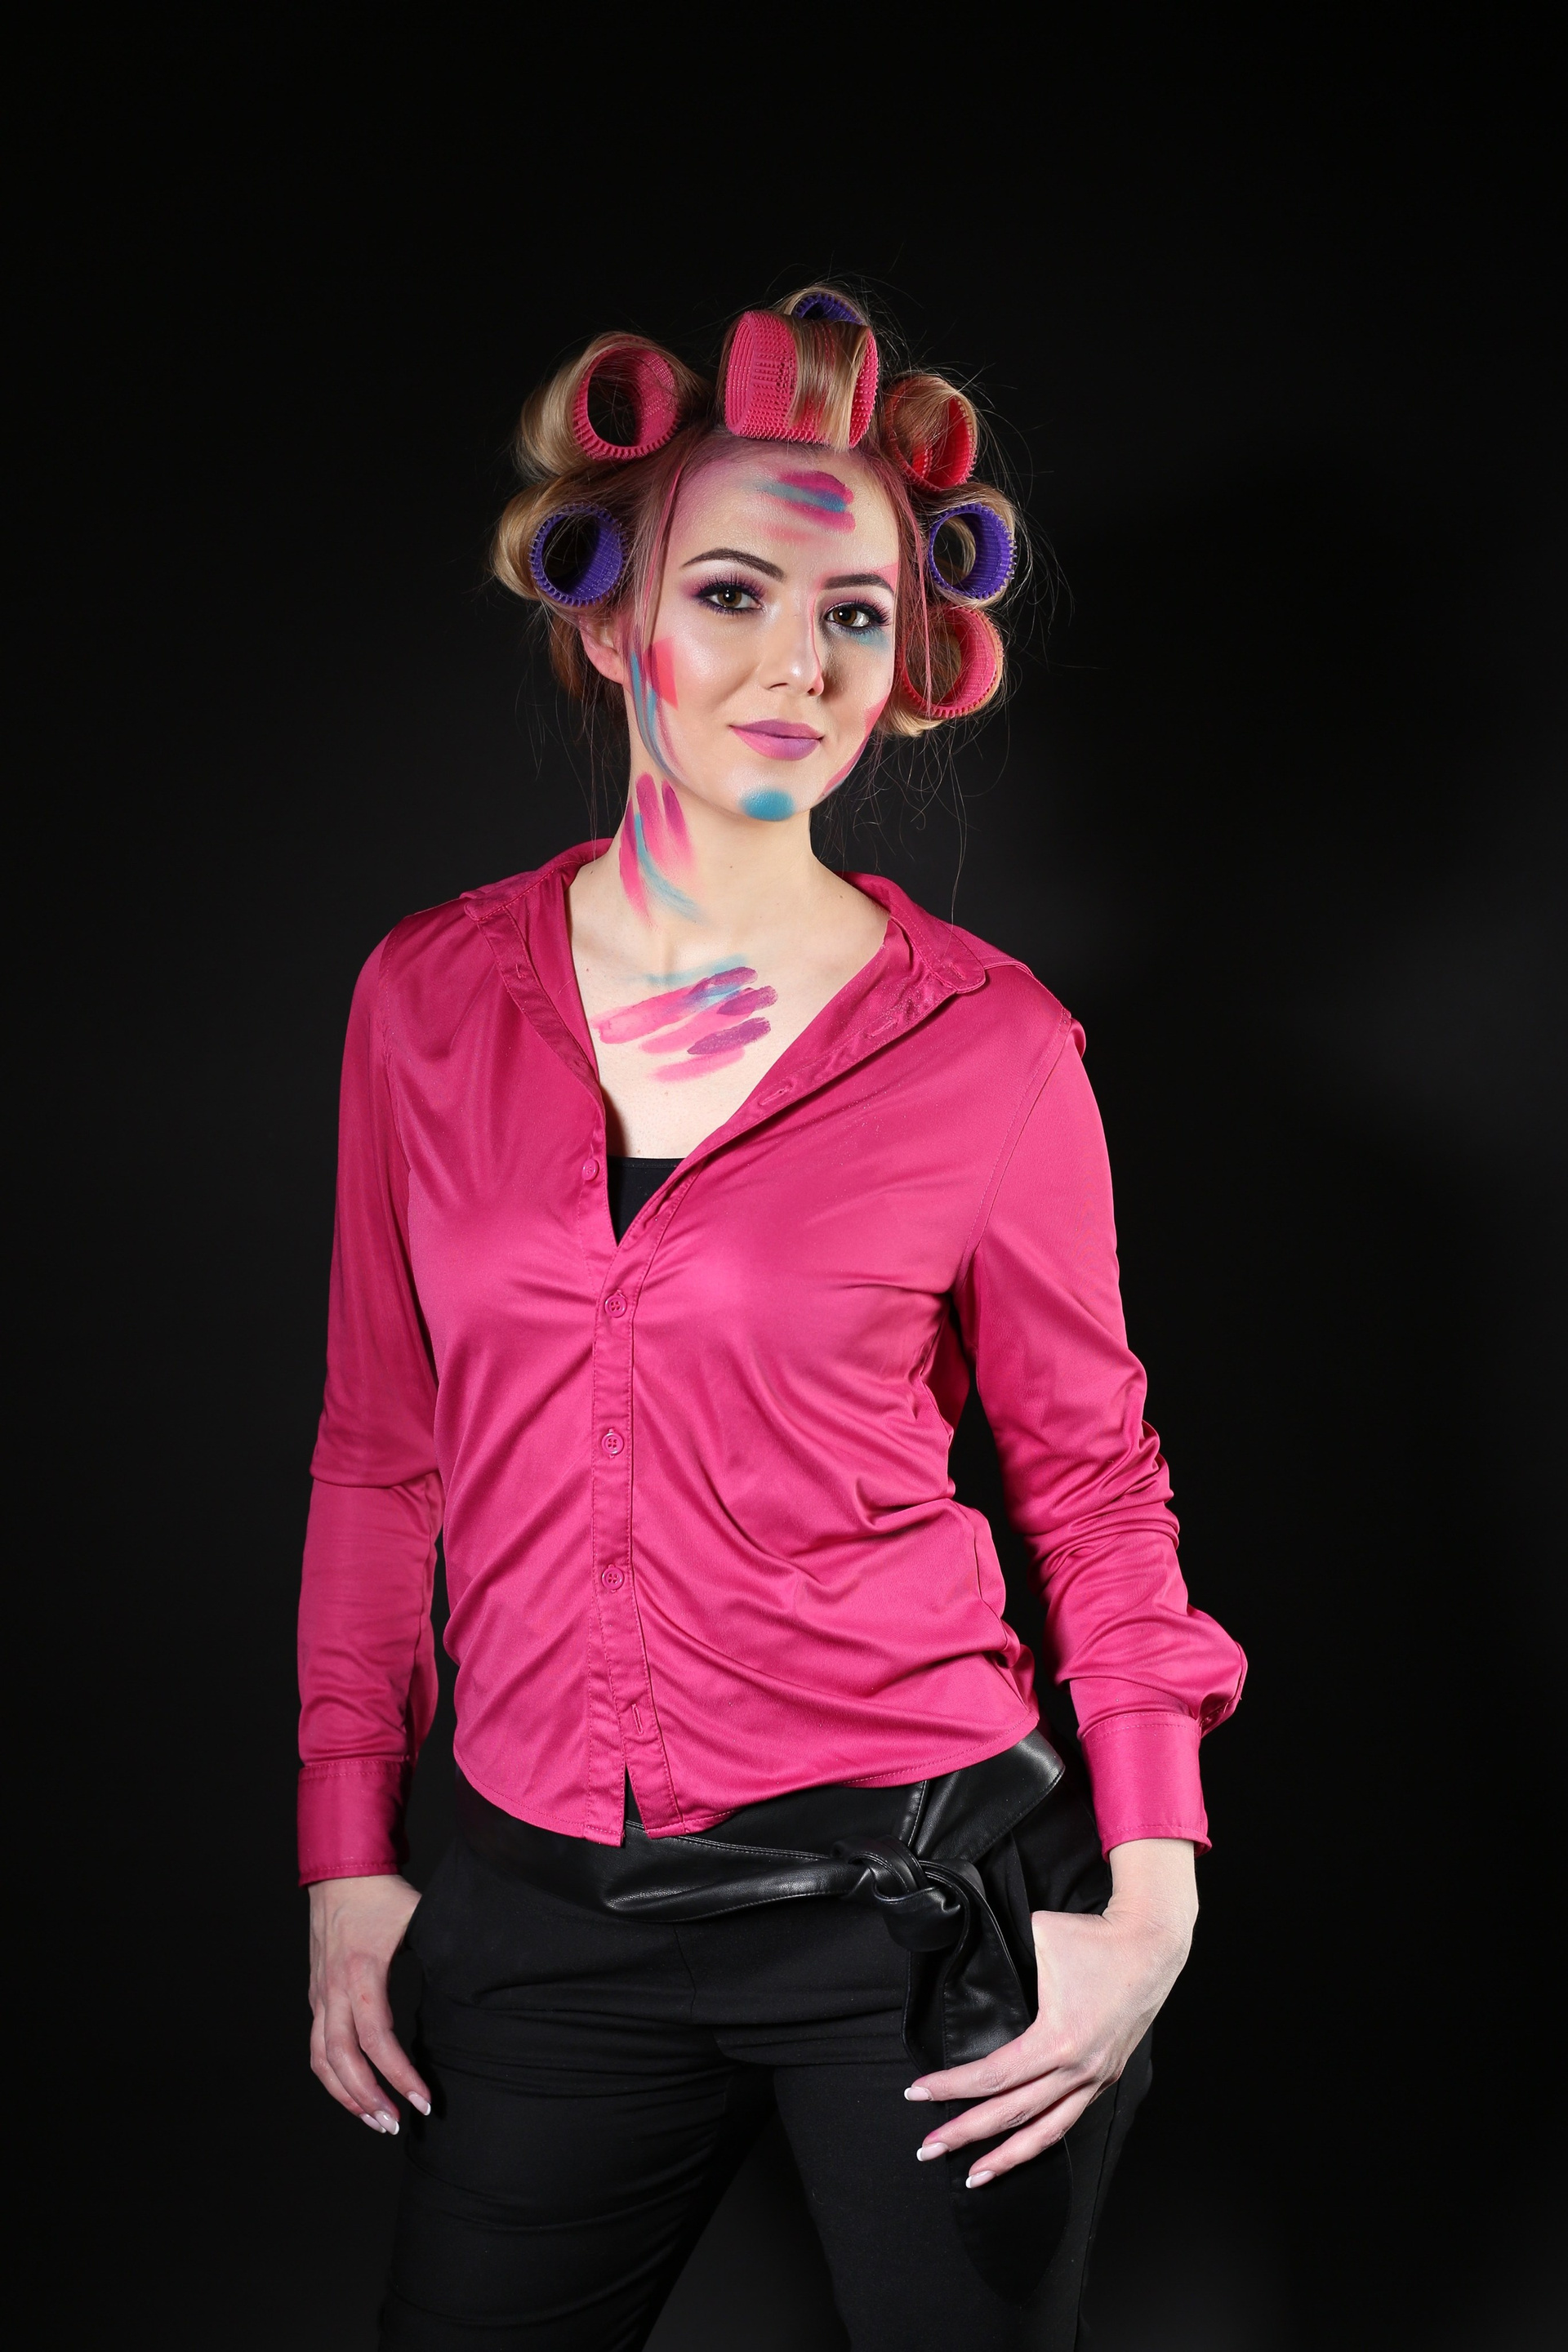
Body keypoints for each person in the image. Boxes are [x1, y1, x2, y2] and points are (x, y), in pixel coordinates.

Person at [297, 287, 1246, 2350]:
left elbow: (1094, 1481)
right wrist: (347, 1851)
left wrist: (1152, 1889)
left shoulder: (995, 1049)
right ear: (612, 616)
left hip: (924, 1911)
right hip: (544, 1911)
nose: (796, 662)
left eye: (854, 615)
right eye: (733, 593)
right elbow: (382, 1448)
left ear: (911, 667)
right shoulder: (426, 1000)